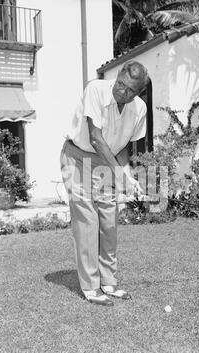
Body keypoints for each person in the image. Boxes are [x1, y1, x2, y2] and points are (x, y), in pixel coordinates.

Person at [60, 61, 149, 306]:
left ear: (138, 93)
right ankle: (90, 287)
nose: (123, 92)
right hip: (77, 157)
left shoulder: (139, 109)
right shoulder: (96, 90)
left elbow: (121, 148)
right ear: (117, 75)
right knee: (87, 219)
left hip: (107, 161)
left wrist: (128, 176)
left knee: (109, 220)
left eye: (131, 90)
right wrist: (120, 176)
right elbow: (97, 138)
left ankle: (108, 282)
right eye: (121, 84)